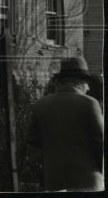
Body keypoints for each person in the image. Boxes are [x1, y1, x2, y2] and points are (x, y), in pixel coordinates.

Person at [26, 56, 104, 191]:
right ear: (79, 81)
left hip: (54, 181)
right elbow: (101, 143)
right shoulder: (90, 104)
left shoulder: (41, 105)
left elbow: (33, 140)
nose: (88, 87)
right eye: (86, 82)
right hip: (86, 181)